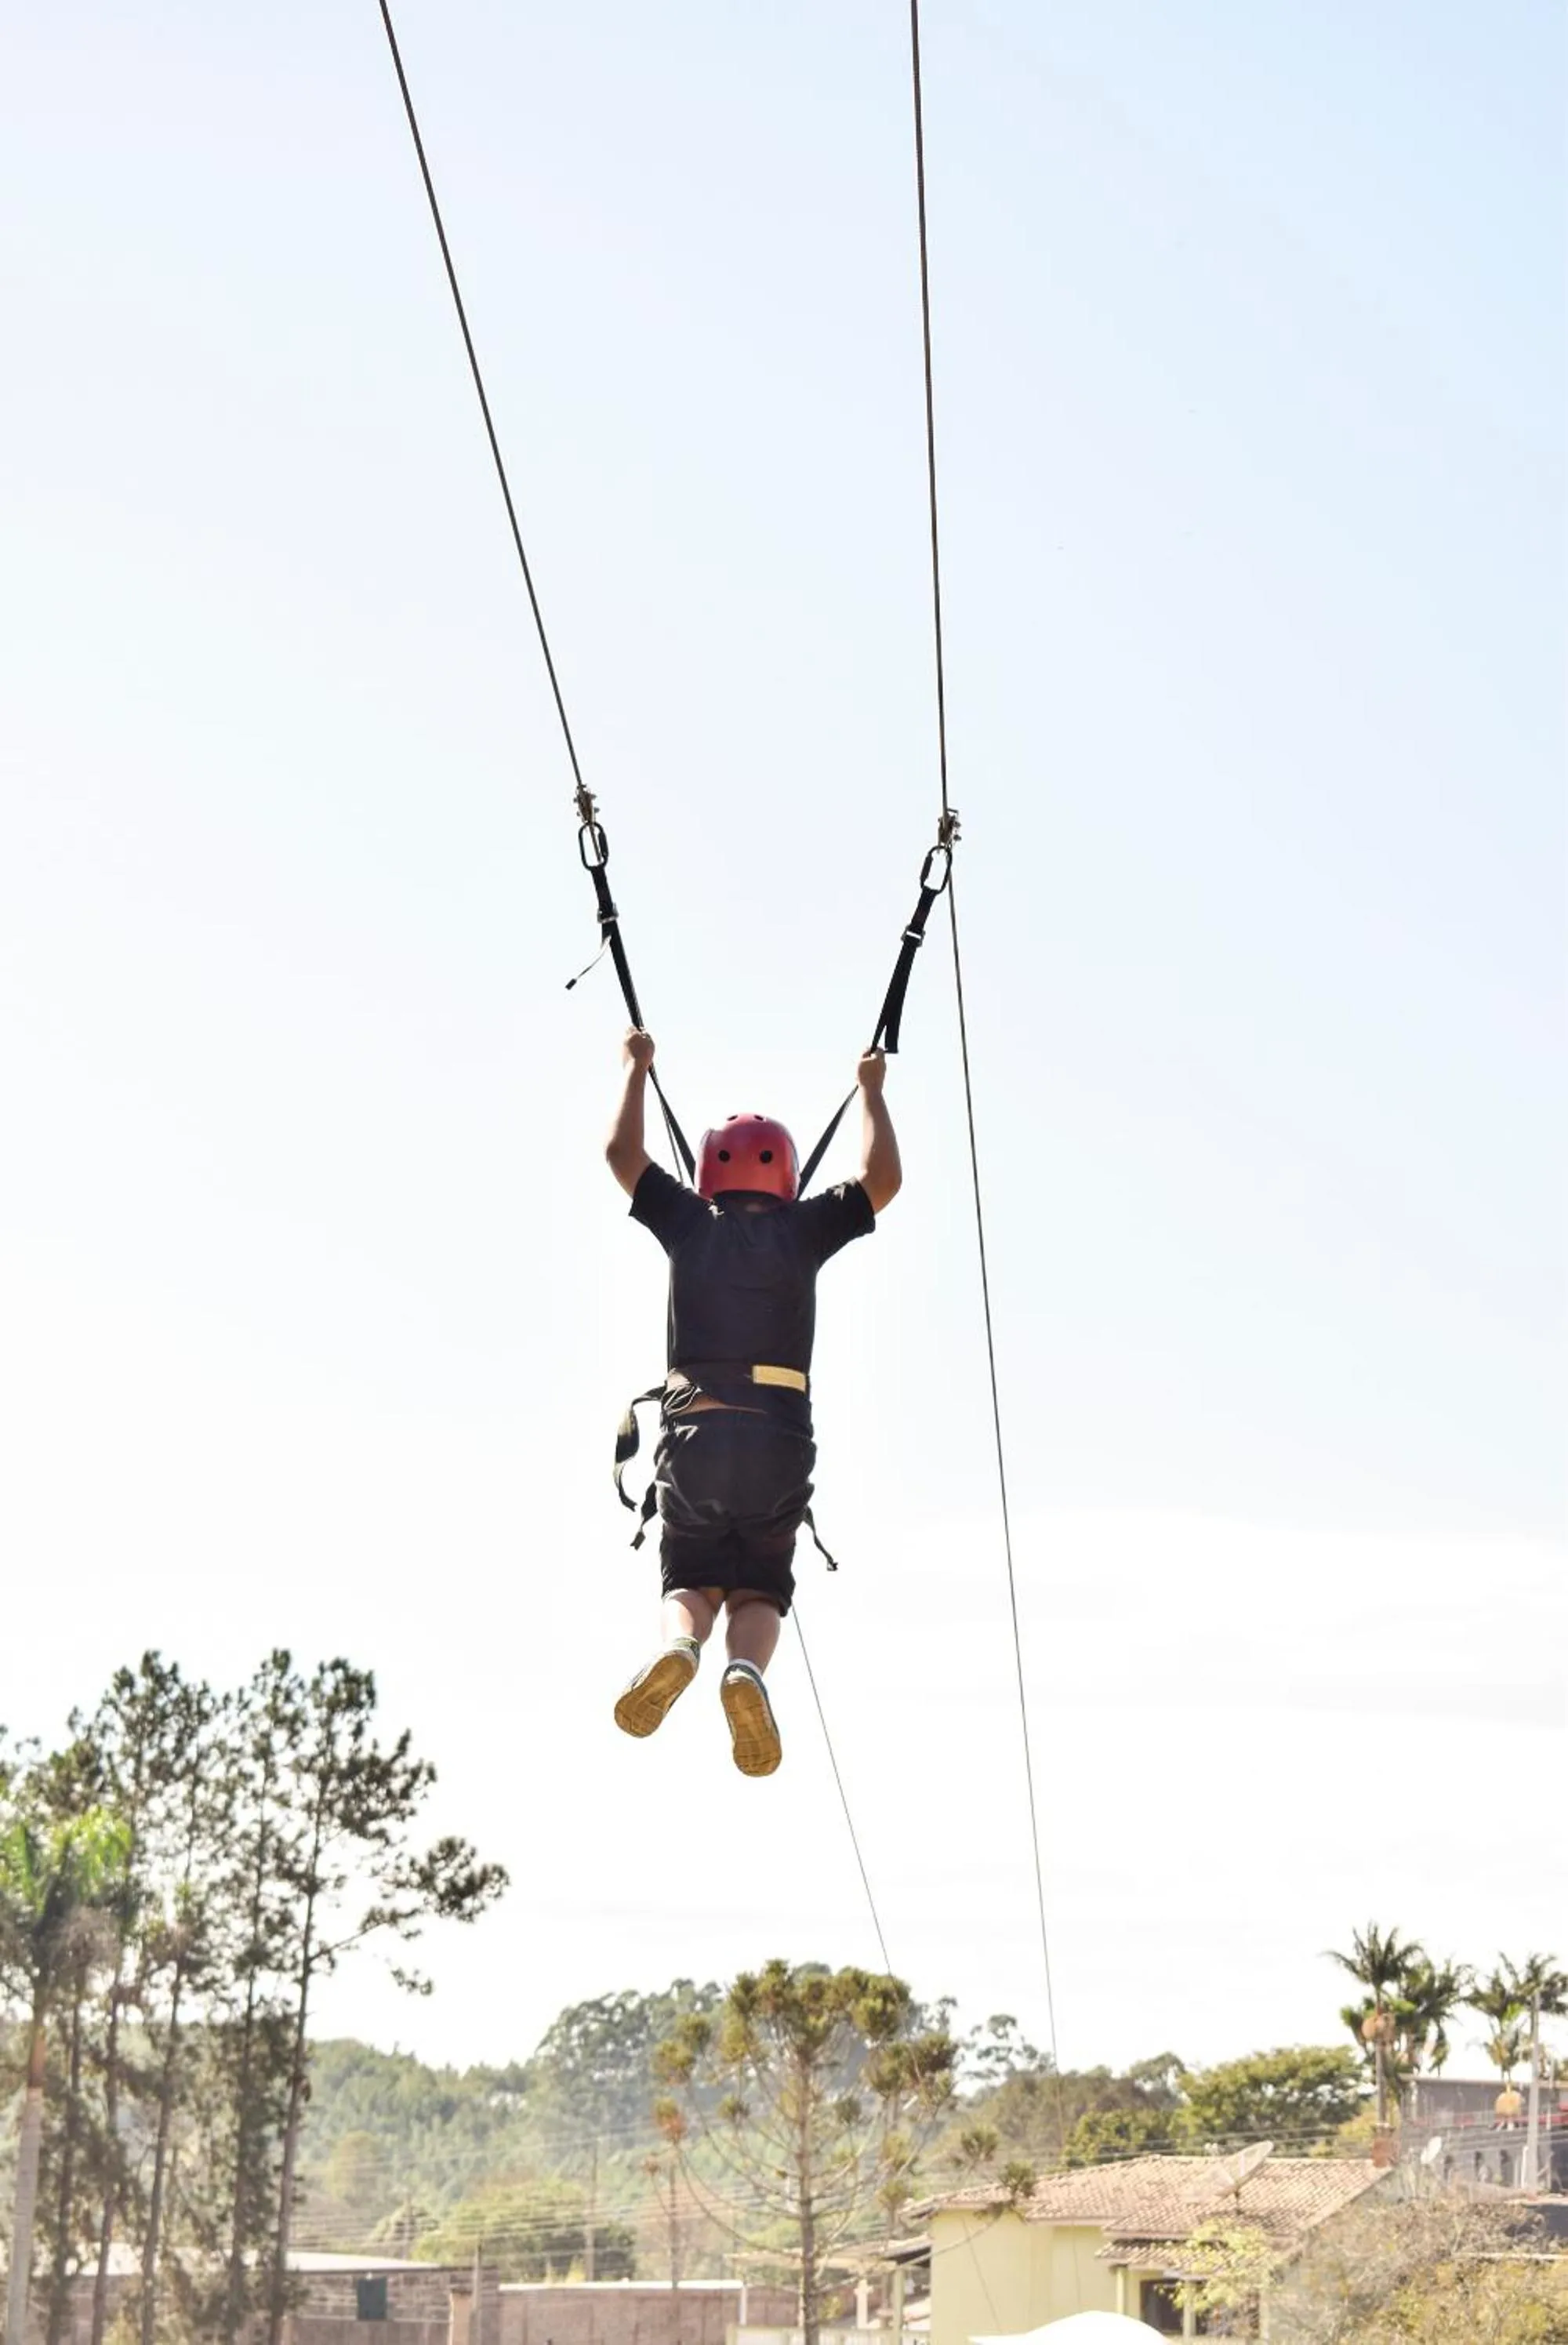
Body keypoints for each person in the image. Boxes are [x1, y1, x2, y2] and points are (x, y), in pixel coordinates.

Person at [604, 1028, 902, 1776]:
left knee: (690, 1577)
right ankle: (747, 1671)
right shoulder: (805, 1230)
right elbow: (881, 1180)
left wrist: (636, 1072)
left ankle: (681, 1645)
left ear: (707, 1174)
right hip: (776, 1440)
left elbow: (622, 1157)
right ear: (788, 1177)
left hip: (694, 1435)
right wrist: (871, 1090)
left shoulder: (687, 1222)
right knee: (760, 1584)